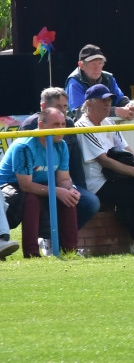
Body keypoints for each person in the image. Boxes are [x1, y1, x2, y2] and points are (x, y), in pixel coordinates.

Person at [76, 84, 134, 252]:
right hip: (97, 184)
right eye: (103, 100)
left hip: (115, 177)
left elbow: (128, 150)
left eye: (110, 100)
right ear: (89, 104)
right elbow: (104, 161)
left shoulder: (108, 122)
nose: (108, 104)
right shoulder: (82, 127)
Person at [0, 108, 80, 257]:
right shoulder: (24, 146)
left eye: (63, 124)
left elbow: (63, 179)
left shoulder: (61, 145)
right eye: (56, 124)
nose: (61, 129)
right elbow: (26, 185)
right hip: (11, 190)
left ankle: (71, 251)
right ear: (41, 125)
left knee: (70, 199)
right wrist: (57, 191)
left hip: (42, 185)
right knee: (32, 199)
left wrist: (69, 189)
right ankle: (31, 253)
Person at [20, 87, 100, 230]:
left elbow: (75, 162)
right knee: (38, 202)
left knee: (90, 202)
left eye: (65, 106)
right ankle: (48, 237)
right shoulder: (29, 125)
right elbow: (25, 171)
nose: (63, 111)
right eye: (58, 106)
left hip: (62, 180)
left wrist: (74, 188)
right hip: (34, 182)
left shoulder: (69, 123)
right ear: (43, 107)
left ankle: (62, 239)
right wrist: (55, 190)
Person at [65, 44, 134, 120]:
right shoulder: (74, 81)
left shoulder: (109, 78)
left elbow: (120, 99)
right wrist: (116, 111)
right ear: (81, 65)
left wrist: (128, 105)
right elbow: (80, 113)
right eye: (93, 64)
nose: (97, 68)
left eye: (100, 63)